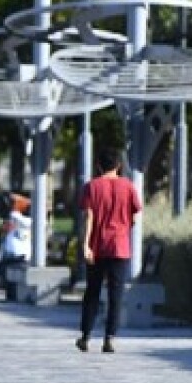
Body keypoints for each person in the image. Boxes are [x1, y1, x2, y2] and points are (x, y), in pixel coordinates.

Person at [76, 149, 142, 353]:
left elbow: (89, 217)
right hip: (120, 248)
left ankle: (86, 336)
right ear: (119, 166)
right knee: (116, 295)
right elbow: (134, 217)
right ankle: (109, 338)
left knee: (93, 293)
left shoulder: (91, 187)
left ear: (98, 165)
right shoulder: (129, 187)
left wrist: (86, 244)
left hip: (97, 247)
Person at [0, 192, 32, 289]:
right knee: (2, 264)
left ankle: (3, 279)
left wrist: (13, 213)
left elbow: (27, 222)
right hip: (9, 255)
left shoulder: (22, 220)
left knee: (7, 266)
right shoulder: (10, 221)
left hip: (21, 257)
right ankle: (2, 279)